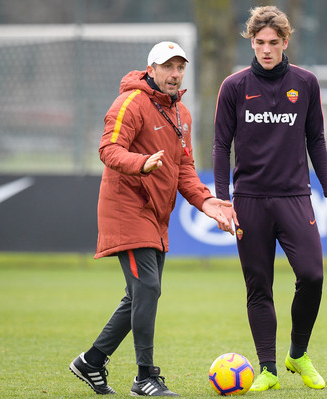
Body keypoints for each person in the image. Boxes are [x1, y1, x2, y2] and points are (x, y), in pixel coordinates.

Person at [69, 41, 233, 397]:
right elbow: (108, 149)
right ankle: (145, 377)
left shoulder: (181, 115)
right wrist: (140, 163)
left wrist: (206, 203)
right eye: (168, 67)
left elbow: (184, 169)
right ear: (152, 70)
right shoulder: (130, 101)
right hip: (127, 210)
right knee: (148, 289)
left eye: (180, 67)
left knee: (139, 295)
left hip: (156, 216)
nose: (175, 74)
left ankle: (91, 361)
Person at [213, 5, 327, 392]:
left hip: (294, 198)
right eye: (259, 43)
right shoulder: (234, 87)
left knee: (312, 275)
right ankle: (268, 368)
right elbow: (221, 146)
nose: (266, 49)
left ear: (286, 42)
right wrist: (223, 200)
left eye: (274, 42)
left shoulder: (305, 83)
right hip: (250, 200)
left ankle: (298, 353)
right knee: (259, 287)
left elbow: (316, 140)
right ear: (251, 43)